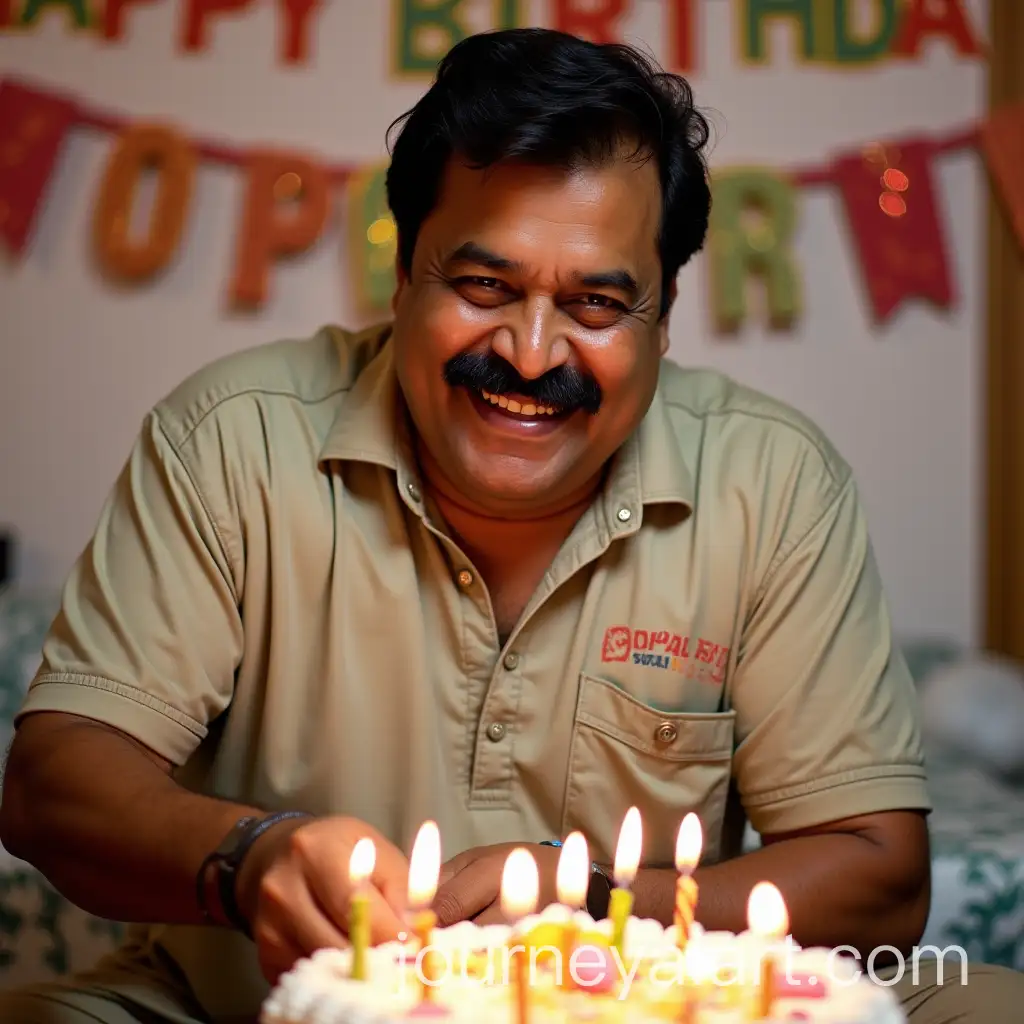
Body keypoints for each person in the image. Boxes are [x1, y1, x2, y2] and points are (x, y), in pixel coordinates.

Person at [0, 26, 1019, 1024]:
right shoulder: (230, 437)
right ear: (403, 277)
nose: (532, 354)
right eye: (486, 286)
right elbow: (52, 787)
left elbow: (879, 878)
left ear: (663, 320)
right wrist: (248, 855)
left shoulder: (772, 481)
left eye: (596, 304)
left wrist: (585, 906)